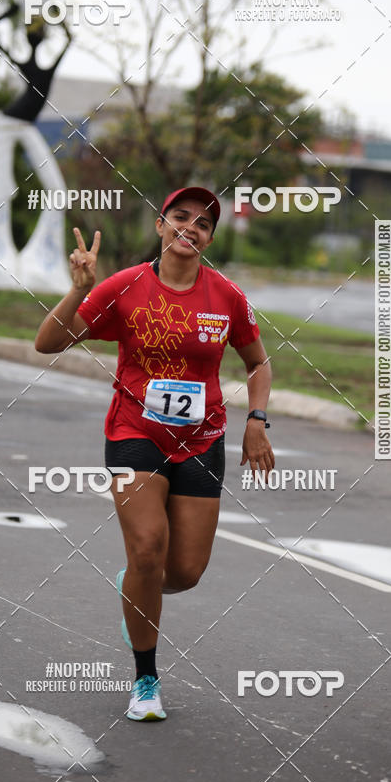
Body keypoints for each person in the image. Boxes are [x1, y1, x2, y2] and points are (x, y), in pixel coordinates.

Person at [35, 187, 275, 721]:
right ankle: (146, 679)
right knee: (147, 547)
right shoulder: (126, 287)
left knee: (183, 571)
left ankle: (136, 587)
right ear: (161, 226)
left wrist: (257, 419)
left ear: (210, 238)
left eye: (204, 223)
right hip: (133, 432)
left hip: (202, 440)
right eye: (181, 217)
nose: (191, 227)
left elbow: (258, 363)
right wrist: (78, 291)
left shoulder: (227, 297)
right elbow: (47, 343)